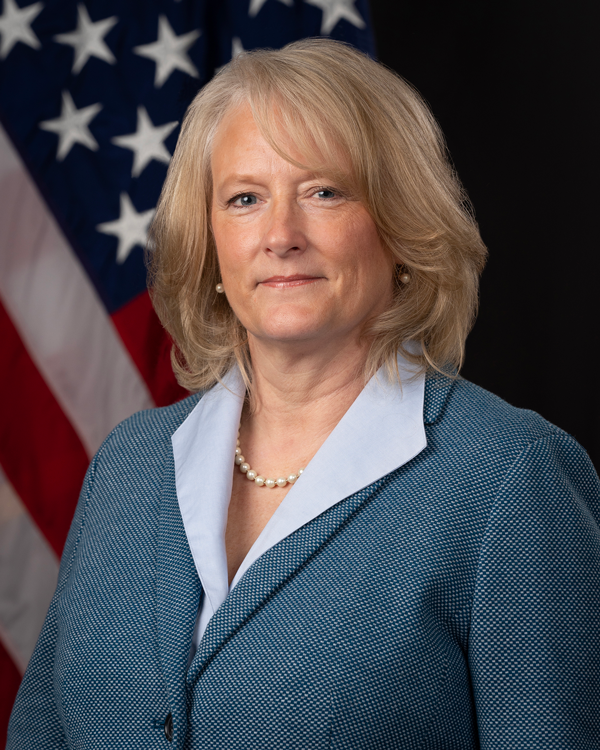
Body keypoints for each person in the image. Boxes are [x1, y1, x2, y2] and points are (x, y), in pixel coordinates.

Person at [7, 39, 599, 750]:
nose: (280, 236)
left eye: (324, 191)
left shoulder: (508, 476)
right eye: (245, 198)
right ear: (212, 245)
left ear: (400, 228)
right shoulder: (129, 465)